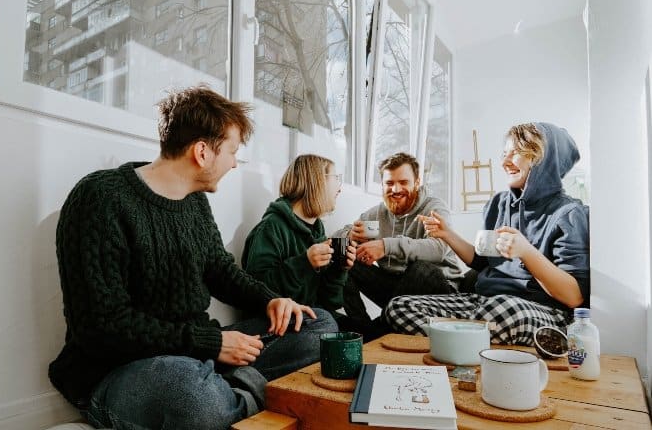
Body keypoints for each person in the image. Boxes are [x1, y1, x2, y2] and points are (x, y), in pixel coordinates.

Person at [48, 85, 338, 430]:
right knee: (194, 396)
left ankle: (231, 392)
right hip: (119, 369)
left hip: (195, 352)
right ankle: (233, 393)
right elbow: (101, 327)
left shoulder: (195, 203)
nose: (234, 163)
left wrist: (271, 300)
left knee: (319, 326)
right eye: (231, 151)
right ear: (202, 151)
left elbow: (221, 271)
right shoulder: (100, 199)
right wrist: (212, 344)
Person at [384, 123, 590, 346]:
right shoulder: (499, 204)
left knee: (506, 311)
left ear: (544, 160)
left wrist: (526, 252)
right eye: (504, 154)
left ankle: (457, 339)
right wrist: (447, 234)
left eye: (516, 153)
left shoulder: (568, 214)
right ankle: (470, 341)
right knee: (399, 307)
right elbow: (483, 261)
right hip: (484, 303)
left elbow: (573, 296)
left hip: (540, 311)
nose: (504, 162)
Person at [337, 152, 466, 335]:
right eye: (389, 183)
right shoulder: (376, 215)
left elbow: (439, 248)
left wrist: (386, 245)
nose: (396, 189)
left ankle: (379, 329)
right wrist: (349, 234)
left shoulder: (434, 207)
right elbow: (338, 236)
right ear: (382, 185)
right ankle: (363, 330)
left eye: (403, 182)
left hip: (439, 291)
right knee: (345, 258)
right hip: (395, 289)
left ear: (417, 182)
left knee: (421, 269)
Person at [242, 154, 358, 328]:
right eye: (336, 178)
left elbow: (329, 303)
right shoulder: (271, 228)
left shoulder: (317, 231)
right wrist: (305, 262)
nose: (340, 188)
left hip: (311, 318)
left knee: (368, 332)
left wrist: (339, 269)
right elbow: (255, 291)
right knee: (329, 325)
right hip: (276, 323)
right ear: (317, 181)